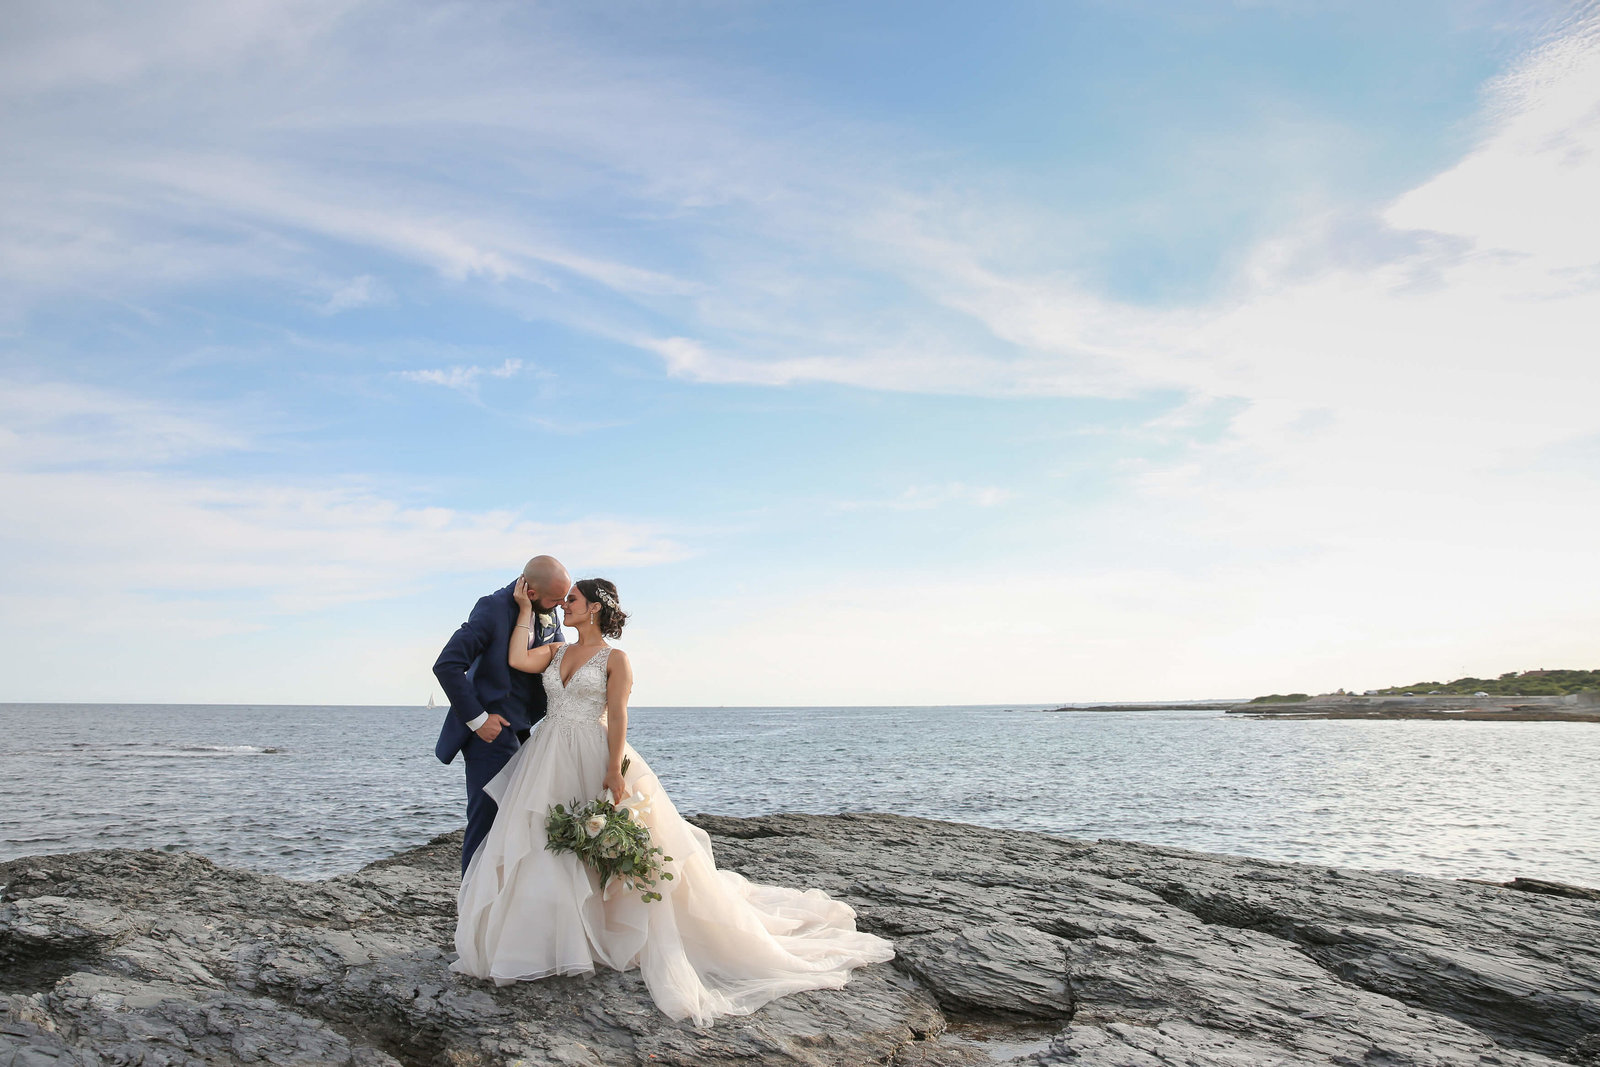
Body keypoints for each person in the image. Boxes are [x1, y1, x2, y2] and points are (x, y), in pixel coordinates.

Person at [452, 578, 894, 1025]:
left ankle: (606, 929)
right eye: (565, 599)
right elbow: (515, 658)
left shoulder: (616, 659)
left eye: (573, 600)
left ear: (596, 609)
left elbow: (619, 713)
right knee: (546, 842)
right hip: (547, 756)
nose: (565, 606)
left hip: (593, 752)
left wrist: (612, 770)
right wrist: (525, 611)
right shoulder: (558, 650)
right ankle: (553, 936)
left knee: (598, 840)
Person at [434, 555, 570, 873]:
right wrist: (479, 720)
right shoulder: (492, 609)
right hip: (489, 736)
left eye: (565, 599)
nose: (561, 606)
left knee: (517, 824)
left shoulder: (547, 611)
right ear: (531, 593)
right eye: (555, 600)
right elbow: (447, 665)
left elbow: (559, 657)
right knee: (485, 825)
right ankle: (470, 914)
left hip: (524, 731)